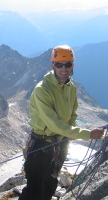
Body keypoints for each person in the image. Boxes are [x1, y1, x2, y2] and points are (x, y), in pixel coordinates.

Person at [19, 45, 104, 200]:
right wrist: (88, 134)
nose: (63, 68)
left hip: (60, 144)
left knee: (51, 184)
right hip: (41, 145)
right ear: (53, 65)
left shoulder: (71, 88)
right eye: (59, 64)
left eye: (67, 64)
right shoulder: (42, 90)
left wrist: (70, 132)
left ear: (73, 65)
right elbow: (54, 125)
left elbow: (72, 115)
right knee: (35, 190)